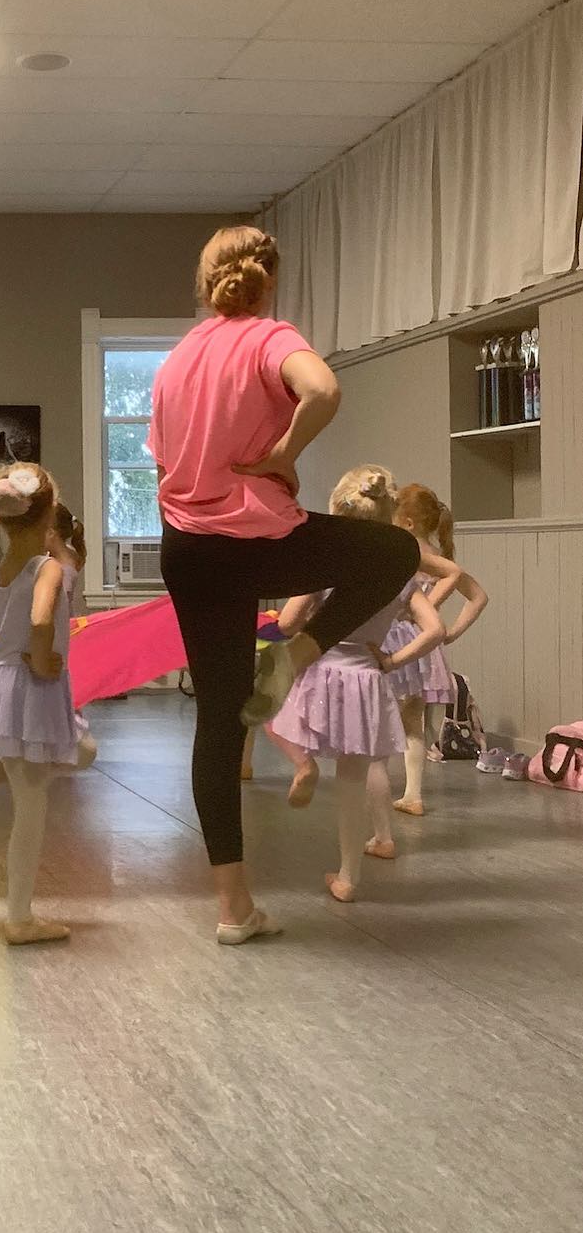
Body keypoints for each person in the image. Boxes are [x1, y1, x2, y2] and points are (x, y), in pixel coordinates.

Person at [150, 225, 419, 944]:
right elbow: (323, 389)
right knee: (393, 551)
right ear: (266, 281)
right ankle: (298, 653)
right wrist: (280, 454)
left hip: (184, 548)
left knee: (216, 721)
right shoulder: (268, 335)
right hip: (255, 542)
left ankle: (233, 908)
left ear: (205, 283)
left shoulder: (174, 360)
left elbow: (164, 463)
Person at [266, 468, 448, 900]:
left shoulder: (326, 568)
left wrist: (286, 624)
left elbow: (291, 621)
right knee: (354, 779)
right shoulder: (400, 573)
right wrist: (392, 660)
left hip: (321, 670)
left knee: (268, 709)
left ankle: (303, 764)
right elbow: (435, 630)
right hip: (366, 678)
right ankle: (348, 876)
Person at [0, 465, 96, 945]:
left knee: (83, 750)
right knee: (31, 808)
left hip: (1, 681)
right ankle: (19, 918)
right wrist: (39, 657)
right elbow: (39, 619)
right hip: (30, 683)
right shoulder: (47, 567)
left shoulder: (7, 564)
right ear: (49, 511)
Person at [384, 483, 489, 814]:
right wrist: (450, 633)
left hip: (401, 642)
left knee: (387, 718)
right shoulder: (438, 556)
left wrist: (427, 608)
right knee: (417, 723)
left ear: (408, 523)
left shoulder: (408, 553)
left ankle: (382, 786)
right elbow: (479, 596)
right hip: (427, 648)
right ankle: (413, 791)